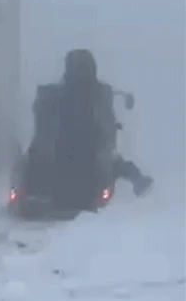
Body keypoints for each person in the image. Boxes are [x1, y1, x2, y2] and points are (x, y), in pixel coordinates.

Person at [31, 49, 153, 197]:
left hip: (63, 155)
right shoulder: (98, 93)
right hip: (87, 155)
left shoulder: (56, 93)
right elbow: (105, 127)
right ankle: (139, 183)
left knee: (114, 164)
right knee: (118, 165)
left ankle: (139, 183)